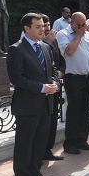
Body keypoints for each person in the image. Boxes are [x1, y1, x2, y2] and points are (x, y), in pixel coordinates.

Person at [6, 13, 59, 176]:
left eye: (43, 26)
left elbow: (52, 70)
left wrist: (55, 83)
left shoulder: (45, 47)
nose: (42, 29)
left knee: (40, 141)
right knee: (25, 143)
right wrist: (41, 87)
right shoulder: (17, 49)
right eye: (38, 27)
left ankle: (36, 172)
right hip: (27, 106)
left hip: (46, 104)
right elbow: (16, 78)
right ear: (26, 28)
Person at [57, 12, 89, 154]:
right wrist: (78, 35)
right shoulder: (63, 34)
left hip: (88, 78)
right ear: (71, 22)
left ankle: (82, 140)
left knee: (86, 110)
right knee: (74, 111)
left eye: (84, 25)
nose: (82, 27)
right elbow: (69, 51)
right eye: (79, 25)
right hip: (74, 78)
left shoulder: (88, 35)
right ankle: (70, 143)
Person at [40, 15, 65, 162]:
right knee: (42, 123)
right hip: (41, 90)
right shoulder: (39, 42)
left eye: (48, 25)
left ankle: (48, 149)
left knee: (52, 120)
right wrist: (47, 43)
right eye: (43, 26)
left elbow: (61, 61)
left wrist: (60, 72)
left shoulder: (53, 40)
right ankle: (39, 151)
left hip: (54, 87)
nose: (47, 29)